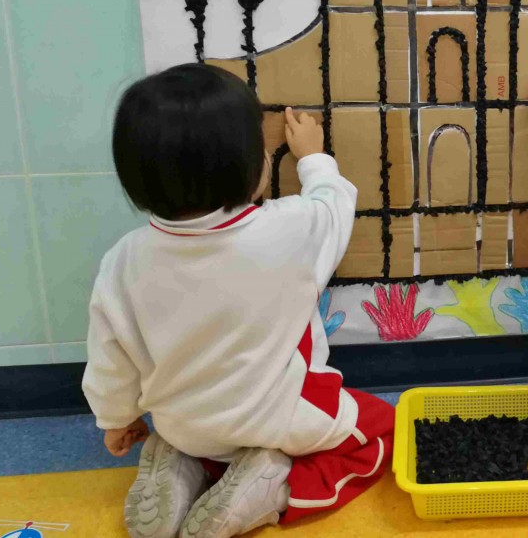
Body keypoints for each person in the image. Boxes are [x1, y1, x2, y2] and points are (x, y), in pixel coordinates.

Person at [83, 64, 393, 538]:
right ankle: (275, 491)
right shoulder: (289, 230)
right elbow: (334, 206)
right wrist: (313, 157)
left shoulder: (123, 259)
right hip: (278, 419)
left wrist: (116, 419)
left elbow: (110, 355)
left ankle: (182, 463)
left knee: (200, 436)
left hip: (182, 424)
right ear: (249, 170)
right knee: (384, 429)